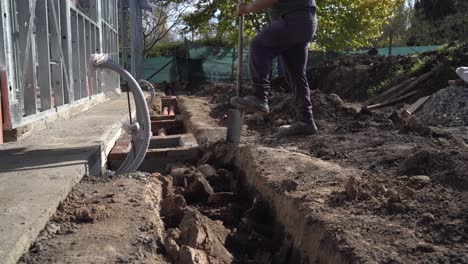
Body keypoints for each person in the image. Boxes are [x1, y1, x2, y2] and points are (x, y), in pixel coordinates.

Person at [230, 0, 318, 137]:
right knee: (296, 75)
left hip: (292, 20)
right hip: (306, 22)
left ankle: (259, 96)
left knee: (259, 45)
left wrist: (247, 8)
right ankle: (306, 121)